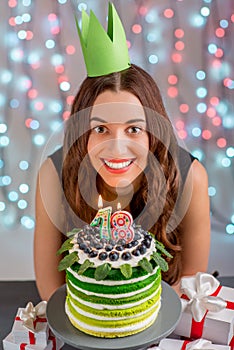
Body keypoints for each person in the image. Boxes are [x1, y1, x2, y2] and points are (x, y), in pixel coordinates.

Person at [33, 5, 210, 302]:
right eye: (100, 129)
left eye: (133, 129)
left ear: (153, 131)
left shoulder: (190, 177)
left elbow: (191, 284)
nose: (116, 148)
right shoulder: (53, 175)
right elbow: (51, 289)